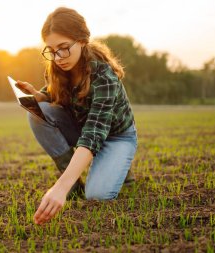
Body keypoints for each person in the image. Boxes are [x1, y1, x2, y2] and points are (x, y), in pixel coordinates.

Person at [15, 7, 138, 225]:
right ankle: (73, 183)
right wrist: (38, 95)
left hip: (115, 136)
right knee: (37, 113)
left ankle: (119, 164)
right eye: (51, 50)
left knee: (96, 196)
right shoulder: (57, 68)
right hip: (82, 126)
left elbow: (93, 134)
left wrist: (58, 187)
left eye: (64, 48)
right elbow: (56, 94)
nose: (58, 57)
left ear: (82, 40)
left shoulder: (104, 76)